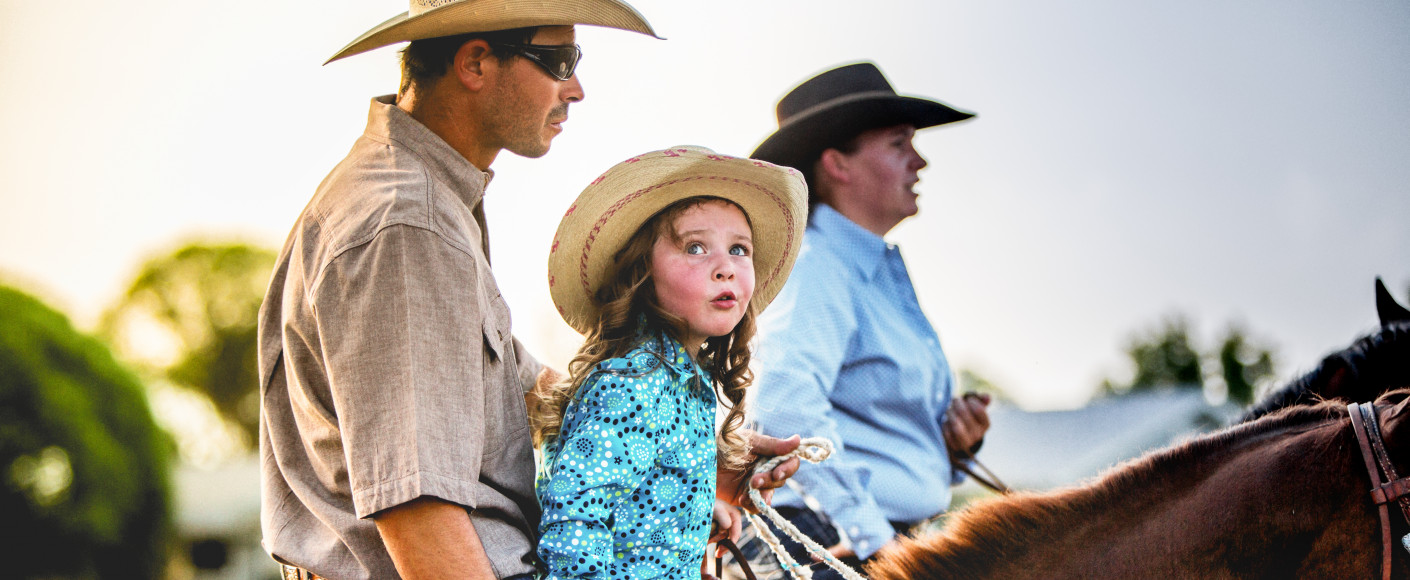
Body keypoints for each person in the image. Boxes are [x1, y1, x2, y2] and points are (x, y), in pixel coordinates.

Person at [256, 3, 799, 578]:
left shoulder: (427, 202)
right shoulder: (407, 223)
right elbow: (417, 504)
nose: (577, 89)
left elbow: (525, 391)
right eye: (559, 61)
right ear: (475, 63)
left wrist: (680, 464)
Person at [741, 62, 993, 577]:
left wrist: (952, 444)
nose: (919, 161)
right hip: (835, 543)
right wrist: (878, 542)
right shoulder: (819, 268)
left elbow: (864, 429)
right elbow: (784, 404)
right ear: (837, 164)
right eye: (900, 145)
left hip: (869, 537)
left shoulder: (864, 273)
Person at [534, 146, 808, 579]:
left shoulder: (682, 380)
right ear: (641, 273)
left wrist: (692, 512)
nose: (726, 268)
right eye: (696, 247)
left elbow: (635, 500)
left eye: (740, 249)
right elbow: (575, 525)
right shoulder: (631, 384)